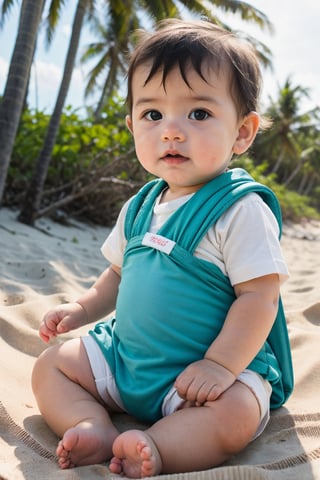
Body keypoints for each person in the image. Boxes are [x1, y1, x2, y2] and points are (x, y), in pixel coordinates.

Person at [32, 19, 294, 478]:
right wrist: (81, 307)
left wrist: (219, 365)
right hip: (126, 360)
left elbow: (260, 297)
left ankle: (158, 445)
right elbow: (117, 274)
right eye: (153, 115)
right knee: (52, 365)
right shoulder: (139, 206)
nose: (171, 131)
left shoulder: (240, 208)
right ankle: (91, 424)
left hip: (201, 382)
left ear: (242, 132)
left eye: (198, 114)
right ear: (133, 124)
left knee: (237, 414)